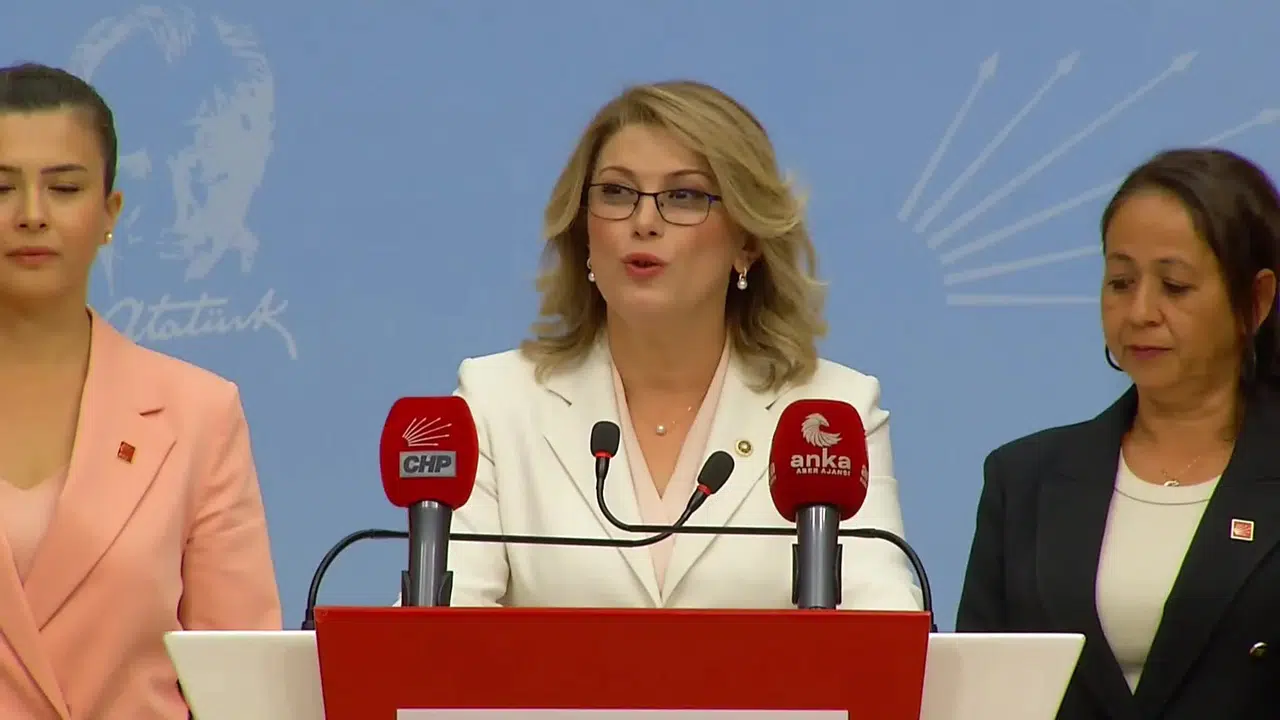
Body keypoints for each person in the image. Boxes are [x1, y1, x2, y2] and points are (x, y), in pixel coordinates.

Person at [435, 80, 922, 611]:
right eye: (616, 193)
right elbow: (433, 637)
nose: (644, 222)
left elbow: (884, 627)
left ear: (747, 241)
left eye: (684, 196)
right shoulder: (497, 404)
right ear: (584, 232)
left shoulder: (834, 411)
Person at [956, 147, 1280, 719]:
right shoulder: (1023, 479)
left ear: (1255, 301)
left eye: (1174, 286)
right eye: (1121, 281)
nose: (1140, 312)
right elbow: (979, 693)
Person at [0, 63, 281, 719]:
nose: (32, 215)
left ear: (110, 212)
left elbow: (244, 689)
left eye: (64, 188)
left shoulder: (198, 415)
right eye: (2, 188)